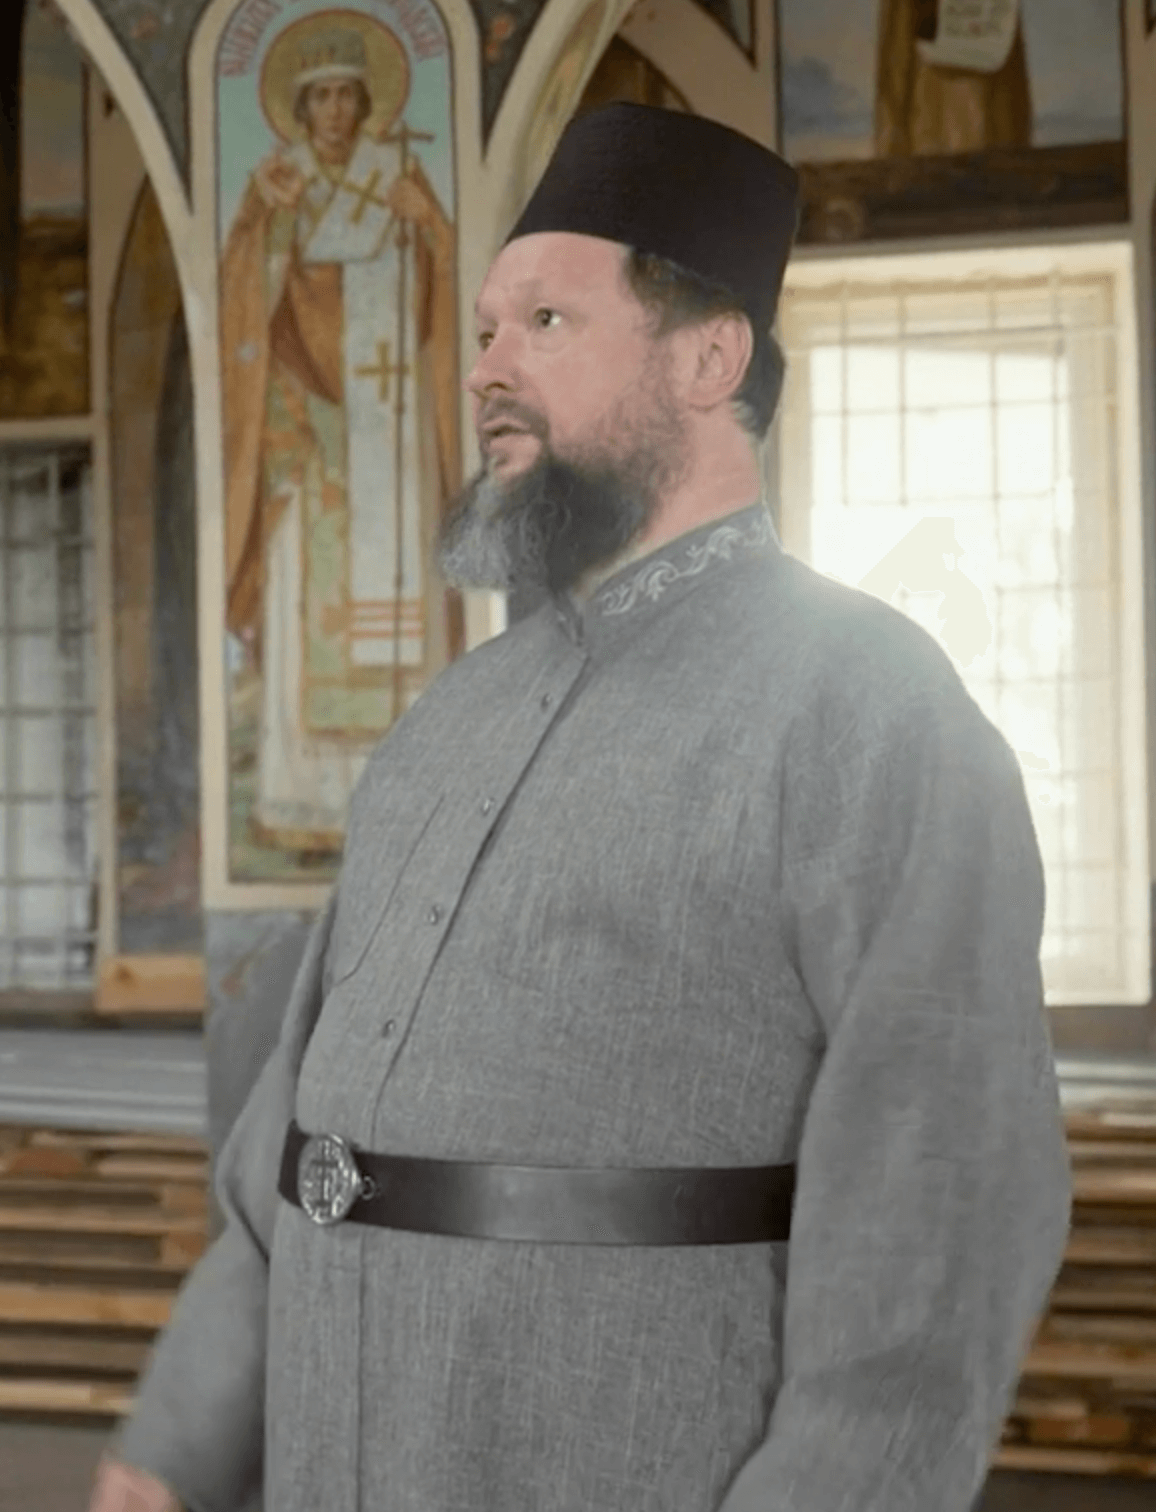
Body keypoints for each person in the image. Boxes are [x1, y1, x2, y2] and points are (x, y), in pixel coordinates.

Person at [90, 102, 1071, 1512]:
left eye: (545, 321)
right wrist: (170, 1450)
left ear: (708, 357)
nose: (486, 367)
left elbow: (941, 1237)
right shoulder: (444, 728)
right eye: (484, 330)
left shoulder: (874, 712)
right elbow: (290, 1168)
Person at [220, 19, 459, 861]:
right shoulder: (275, 183)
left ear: (366, 102)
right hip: (310, 436)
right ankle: (308, 804)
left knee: (402, 598)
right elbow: (242, 306)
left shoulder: (400, 177)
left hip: (389, 444)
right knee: (302, 602)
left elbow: (453, 303)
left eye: (345, 94)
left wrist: (429, 222)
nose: (332, 110)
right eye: (317, 94)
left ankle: (406, 808)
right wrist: (261, 221)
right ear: (297, 105)